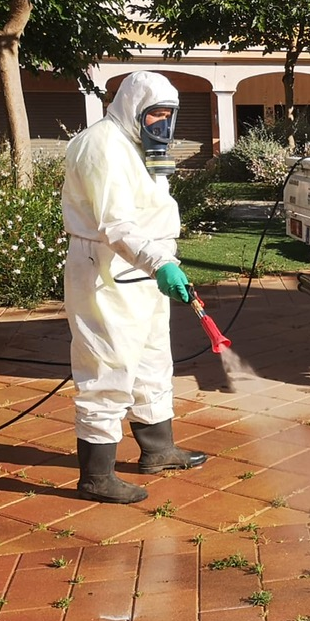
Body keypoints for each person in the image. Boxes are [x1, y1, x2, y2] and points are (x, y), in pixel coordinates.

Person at [61, 71, 207, 503]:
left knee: (151, 359)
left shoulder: (136, 146)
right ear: (132, 107)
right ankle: (96, 477)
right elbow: (116, 224)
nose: (163, 123)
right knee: (108, 366)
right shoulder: (102, 145)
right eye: (155, 113)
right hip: (106, 270)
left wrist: (162, 261)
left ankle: (158, 450)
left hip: (144, 268)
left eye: (169, 115)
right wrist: (160, 262)